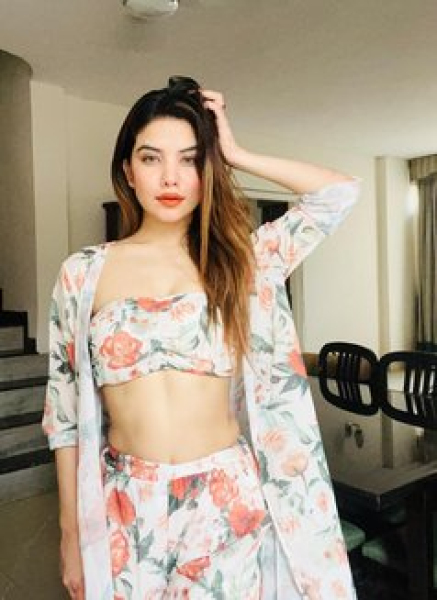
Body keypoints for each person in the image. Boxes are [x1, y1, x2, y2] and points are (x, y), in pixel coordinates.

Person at [43, 76, 360, 600]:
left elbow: (338, 194)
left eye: (190, 160)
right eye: (151, 158)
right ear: (128, 170)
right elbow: (65, 416)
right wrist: (70, 534)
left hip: (225, 501)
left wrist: (235, 153)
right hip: (126, 501)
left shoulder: (244, 262)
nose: (170, 177)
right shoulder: (83, 274)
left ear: (206, 171)